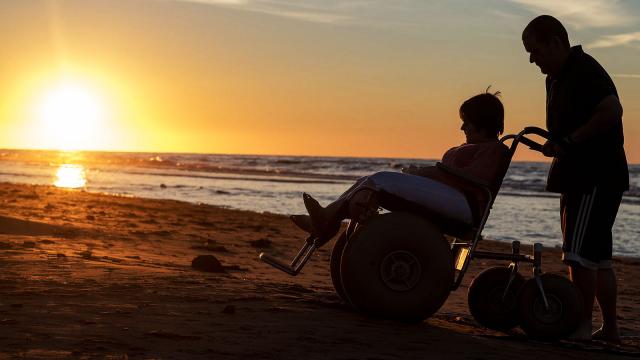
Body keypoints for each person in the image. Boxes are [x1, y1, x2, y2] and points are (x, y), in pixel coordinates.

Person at [522, 15, 629, 344]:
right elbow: (567, 125)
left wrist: (571, 141)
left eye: (535, 51)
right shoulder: (556, 76)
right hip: (585, 175)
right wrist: (557, 142)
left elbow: (612, 110)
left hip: (592, 175)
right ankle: (609, 329)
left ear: (556, 42)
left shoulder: (584, 70)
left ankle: (579, 325)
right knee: (598, 257)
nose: (532, 59)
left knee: (579, 255)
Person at [291, 91, 510, 247]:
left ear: (482, 123)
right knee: (367, 180)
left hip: (464, 207)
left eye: (467, 122)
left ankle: (326, 223)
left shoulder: (494, 150)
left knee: (379, 180)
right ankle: (328, 219)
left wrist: (429, 173)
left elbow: (474, 181)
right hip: (452, 197)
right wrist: (427, 173)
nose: (462, 127)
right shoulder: (474, 147)